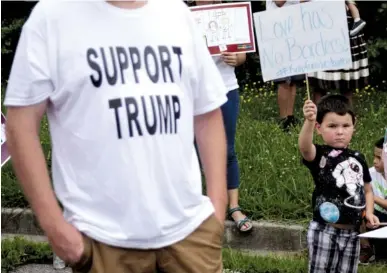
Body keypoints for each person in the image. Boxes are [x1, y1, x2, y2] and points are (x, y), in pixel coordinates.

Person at [4, 0, 229, 272]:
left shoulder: (176, 12)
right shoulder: (52, 17)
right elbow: (20, 124)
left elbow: (207, 113)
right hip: (103, 241)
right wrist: (54, 225)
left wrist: (218, 208)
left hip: (192, 235)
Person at [188, 0, 252, 232]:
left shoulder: (231, 14)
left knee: (228, 149)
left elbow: (242, 52)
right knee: (190, 150)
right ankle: (198, 207)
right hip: (192, 92)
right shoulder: (182, 15)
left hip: (225, 89)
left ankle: (233, 206)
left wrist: (238, 58)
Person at [298, 94, 380, 273]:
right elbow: (304, 147)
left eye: (345, 126)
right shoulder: (320, 155)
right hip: (325, 231)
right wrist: (309, 121)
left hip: (352, 233)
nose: (340, 132)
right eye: (332, 126)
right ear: (319, 128)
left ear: (354, 126)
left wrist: (370, 213)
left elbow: (367, 190)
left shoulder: (358, 158)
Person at [308, 2, 369, 105]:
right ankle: (317, 118)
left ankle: (347, 118)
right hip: (322, 26)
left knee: (346, 84)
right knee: (319, 83)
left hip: (343, 27)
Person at [266, 0, 307, 132]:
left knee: (294, 78)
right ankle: (283, 118)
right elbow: (279, 2)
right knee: (283, 78)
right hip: (278, 29)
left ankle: (290, 116)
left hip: (294, 28)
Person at [359, 137, 387, 263]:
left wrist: (371, 196)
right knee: (357, 211)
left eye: (379, 158)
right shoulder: (370, 174)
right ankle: (367, 248)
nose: (375, 161)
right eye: (374, 156)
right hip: (378, 217)